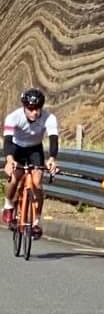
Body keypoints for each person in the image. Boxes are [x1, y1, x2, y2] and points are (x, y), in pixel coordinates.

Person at [4, 87, 60, 237]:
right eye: (31, 109)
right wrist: (10, 160)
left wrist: (52, 159)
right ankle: (8, 204)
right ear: (24, 107)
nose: (35, 112)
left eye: (38, 108)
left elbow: (53, 140)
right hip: (16, 148)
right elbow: (8, 142)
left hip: (35, 149)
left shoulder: (49, 118)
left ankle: (35, 222)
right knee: (14, 179)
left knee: (37, 184)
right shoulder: (13, 117)